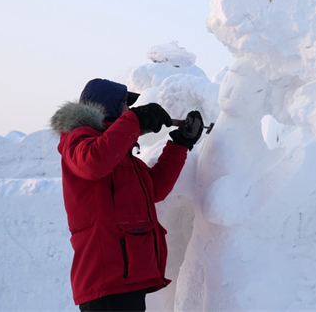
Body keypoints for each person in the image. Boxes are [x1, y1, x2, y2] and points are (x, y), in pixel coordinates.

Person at [50, 78, 204, 312]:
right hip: (106, 279)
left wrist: (180, 144)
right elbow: (94, 162)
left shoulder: (121, 156)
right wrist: (135, 120)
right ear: (109, 107)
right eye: (125, 106)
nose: (129, 111)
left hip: (126, 277)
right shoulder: (77, 140)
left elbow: (154, 190)